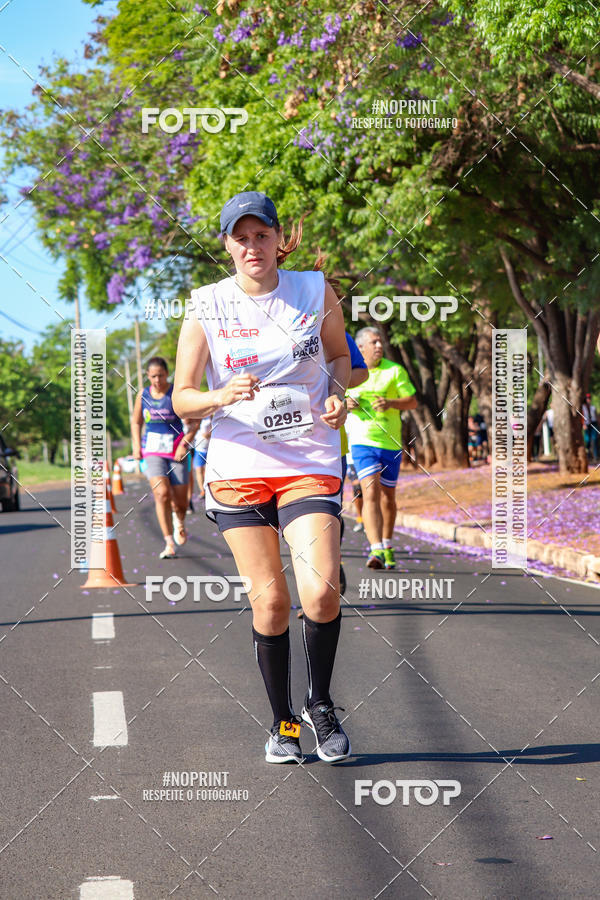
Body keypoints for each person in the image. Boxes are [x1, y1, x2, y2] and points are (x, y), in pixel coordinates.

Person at [173, 191, 352, 764]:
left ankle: (320, 705)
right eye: (241, 237)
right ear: (226, 245)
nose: (252, 246)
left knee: (320, 590)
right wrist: (219, 394)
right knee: (271, 602)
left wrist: (337, 396)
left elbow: (340, 358)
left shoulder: (313, 289)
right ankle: (283, 725)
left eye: (261, 235)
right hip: (240, 466)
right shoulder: (207, 306)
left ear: (278, 239)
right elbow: (182, 397)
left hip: (308, 459)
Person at [347, 327, 417, 569]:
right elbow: (332, 397)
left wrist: (391, 403)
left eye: (380, 342)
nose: (379, 346)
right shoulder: (350, 372)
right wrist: (346, 403)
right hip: (362, 441)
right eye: (373, 342)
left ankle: (387, 544)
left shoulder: (394, 370)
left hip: (390, 442)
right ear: (360, 348)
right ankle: (375, 548)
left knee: (388, 497)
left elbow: (412, 401)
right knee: (370, 492)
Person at [131, 357, 197, 558]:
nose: (157, 380)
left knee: (181, 503)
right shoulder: (143, 395)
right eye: (153, 376)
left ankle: (180, 521)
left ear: (167, 374)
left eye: (160, 375)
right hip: (152, 451)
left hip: (177, 451)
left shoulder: (176, 394)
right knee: (161, 494)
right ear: (148, 376)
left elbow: (195, 422)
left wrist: (184, 444)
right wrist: (136, 445)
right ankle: (169, 543)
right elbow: (136, 422)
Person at [192, 416, 212, 499]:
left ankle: (210, 490)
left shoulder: (211, 415)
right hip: (199, 448)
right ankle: (203, 491)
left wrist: (209, 434)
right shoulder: (196, 416)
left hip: (211, 448)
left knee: (209, 471)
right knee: (199, 470)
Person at [582, 394, 599, 461]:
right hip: (587, 424)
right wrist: (583, 424)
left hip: (594, 424)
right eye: (587, 398)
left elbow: (596, 416)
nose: (588, 399)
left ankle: (595, 456)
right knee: (587, 440)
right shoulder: (583, 407)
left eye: (589, 398)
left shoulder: (593, 407)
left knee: (594, 439)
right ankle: (588, 455)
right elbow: (582, 417)